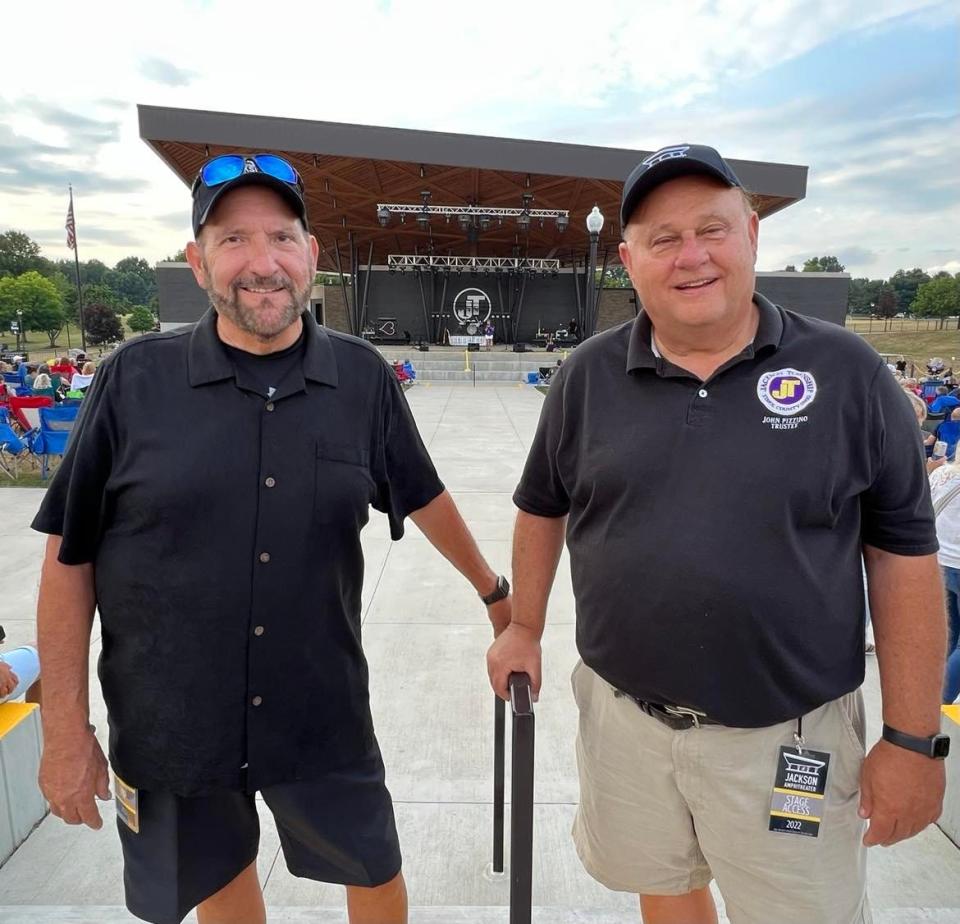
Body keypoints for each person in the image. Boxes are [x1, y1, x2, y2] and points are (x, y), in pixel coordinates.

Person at [32, 152, 512, 924]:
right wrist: (64, 729)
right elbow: (67, 557)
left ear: (312, 256)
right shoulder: (133, 382)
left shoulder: (359, 379)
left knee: (375, 868)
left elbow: (423, 495)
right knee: (219, 881)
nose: (263, 263)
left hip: (319, 710)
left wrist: (496, 594)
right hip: (173, 720)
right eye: (232, 240)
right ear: (197, 262)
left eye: (282, 238)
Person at [487, 143, 948, 924]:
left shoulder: (849, 375)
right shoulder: (586, 377)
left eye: (712, 229)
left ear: (754, 237)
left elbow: (904, 560)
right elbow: (542, 504)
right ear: (628, 261)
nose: (690, 256)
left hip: (787, 740)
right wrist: (523, 625)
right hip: (628, 723)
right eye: (663, 239)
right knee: (664, 887)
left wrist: (913, 740)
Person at [930, 455, 960, 703]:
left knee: (948, 637)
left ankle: (932, 695)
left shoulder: (941, 474)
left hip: (940, 560)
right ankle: (940, 702)